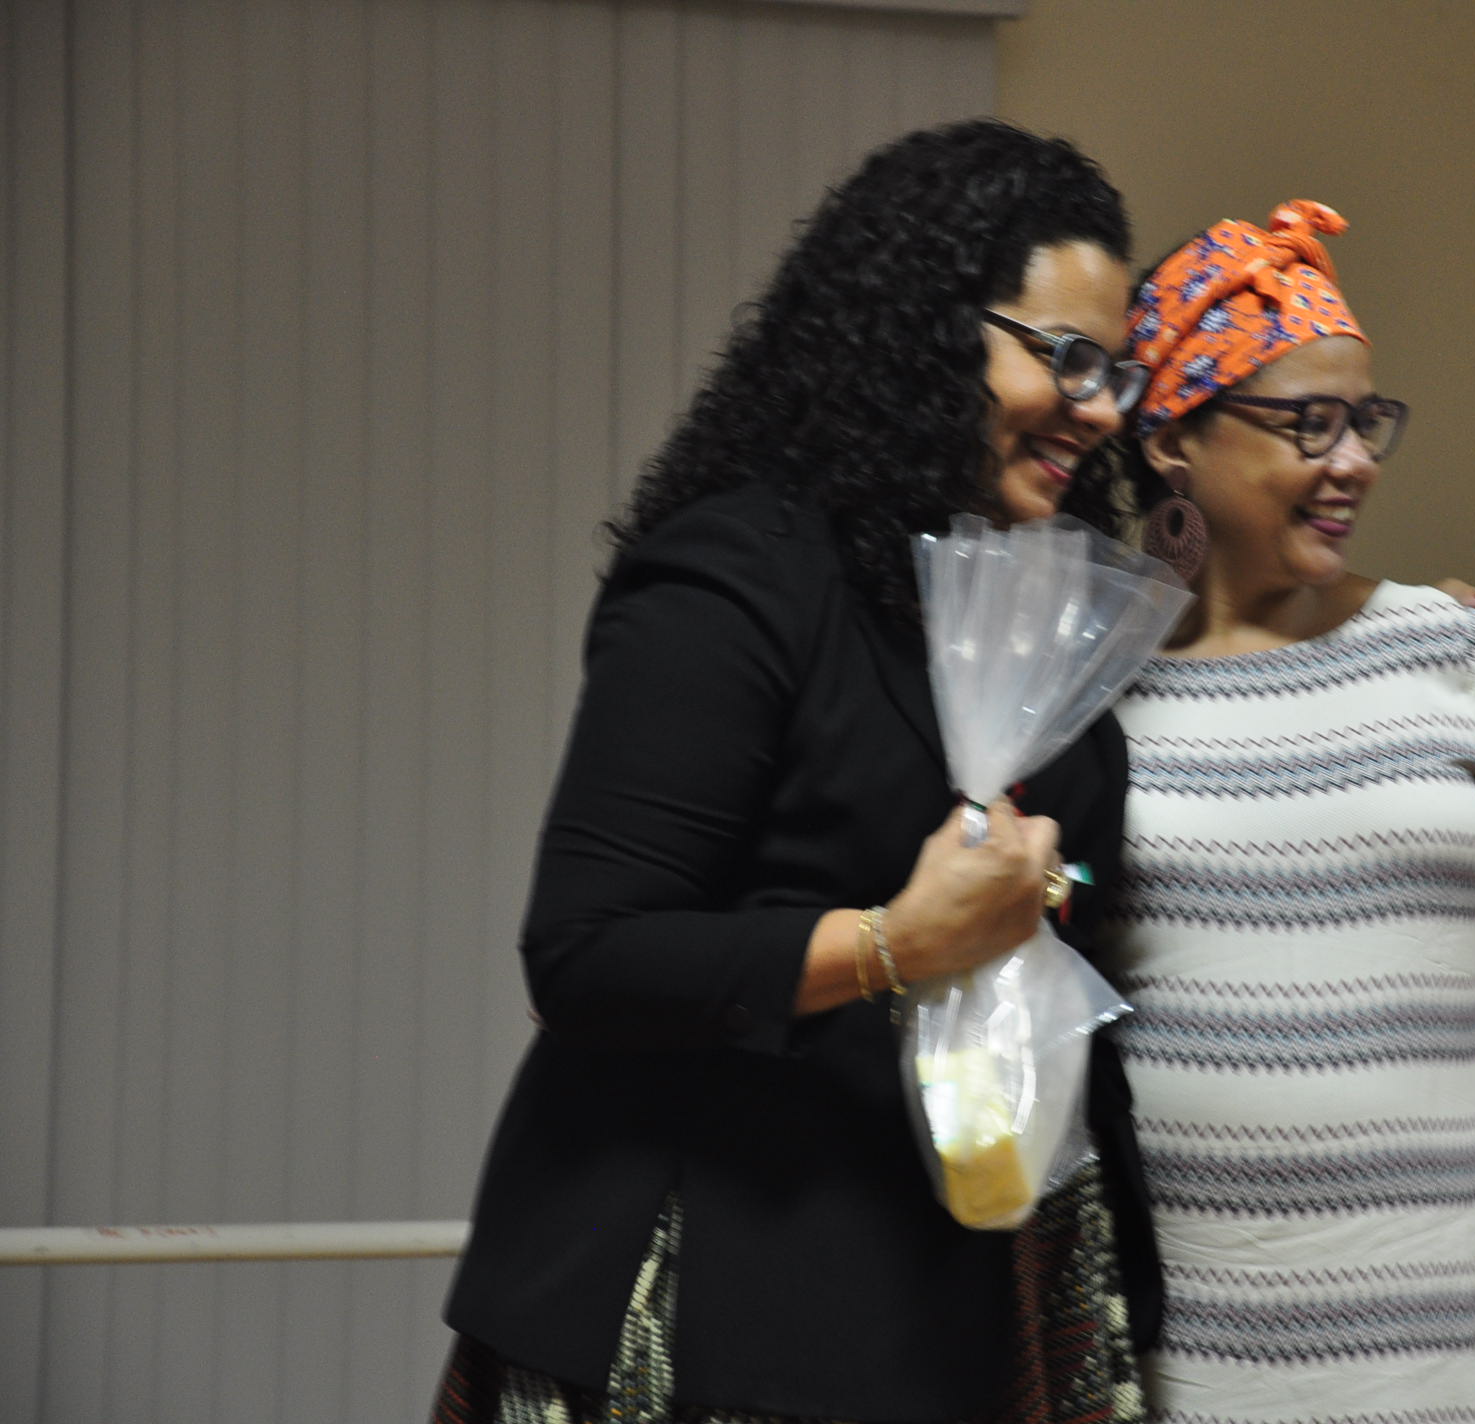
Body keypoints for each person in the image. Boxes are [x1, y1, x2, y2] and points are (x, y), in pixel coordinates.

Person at [430, 119, 1163, 1424]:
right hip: (716, 1299)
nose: (1099, 408)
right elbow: (586, 954)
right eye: (1062, 358)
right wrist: (894, 943)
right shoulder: (737, 575)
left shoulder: (1033, 605)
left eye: (1113, 370)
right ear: (926, 331)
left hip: (969, 1287)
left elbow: (1069, 879)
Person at [1102, 201, 1475, 1423]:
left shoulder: (1454, 650)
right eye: (1307, 421)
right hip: (1177, 1322)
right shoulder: (1084, 681)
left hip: (1410, 1321)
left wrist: (1395, 1113)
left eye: (1365, 419)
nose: (1353, 458)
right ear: (1173, 436)